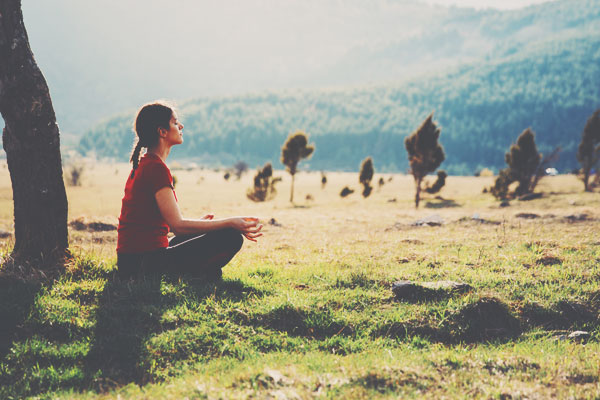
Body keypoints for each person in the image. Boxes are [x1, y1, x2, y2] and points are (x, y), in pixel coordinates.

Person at [116, 101, 262, 279]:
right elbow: (178, 226)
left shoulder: (145, 164)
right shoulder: (155, 168)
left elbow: (163, 225)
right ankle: (199, 273)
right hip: (144, 264)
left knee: (210, 234)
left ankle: (201, 272)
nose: (181, 126)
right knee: (231, 236)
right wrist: (231, 222)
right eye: (175, 122)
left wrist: (201, 226)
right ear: (162, 132)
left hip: (132, 261)